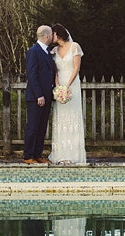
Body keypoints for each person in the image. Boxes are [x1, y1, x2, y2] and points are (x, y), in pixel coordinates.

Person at [48, 23, 87, 165]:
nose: (50, 36)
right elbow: (55, 71)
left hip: (72, 83)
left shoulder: (74, 46)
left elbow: (76, 68)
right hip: (60, 84)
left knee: (72, 115)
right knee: (61, 117)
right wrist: (58, 87)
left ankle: (74, 154)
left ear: (57, 34)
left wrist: (67, 86)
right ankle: (60, 153)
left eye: (52, 34)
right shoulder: (54, 51)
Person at [23, 25, 55, 165]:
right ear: (47, 36)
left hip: (47, 96)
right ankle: (28, 156)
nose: (53, 37)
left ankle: (38, 154)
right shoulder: (33, 51)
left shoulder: (47, 52)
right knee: (33, 126)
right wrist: (39, 95)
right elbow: (32, 75)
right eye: (52, 34)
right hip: (36, 97)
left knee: (42, 127)